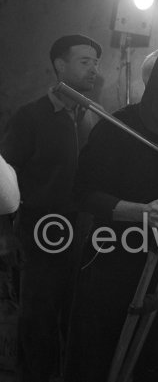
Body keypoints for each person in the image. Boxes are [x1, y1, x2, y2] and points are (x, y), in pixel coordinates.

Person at [66, 43, 158, 382]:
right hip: (116, 257)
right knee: (104, 353)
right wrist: (139, 212)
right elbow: (83, 192)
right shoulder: (117, 127)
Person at [0, 33, 101, 382]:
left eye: (95, 63)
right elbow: (4, 179)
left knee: (76, 323)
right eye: (84, 61)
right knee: (38, 325)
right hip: (40, 234)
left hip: (83, 234)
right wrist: (7, 238)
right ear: (60, 65)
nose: (93, 70)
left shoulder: (92, 119)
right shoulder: (31, 117)